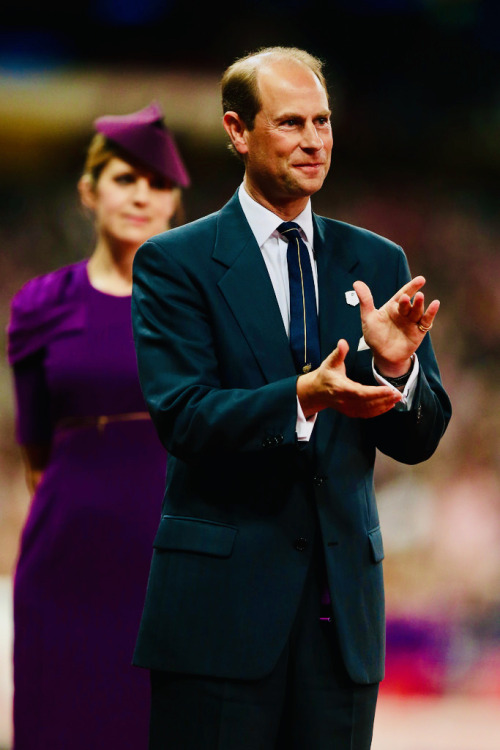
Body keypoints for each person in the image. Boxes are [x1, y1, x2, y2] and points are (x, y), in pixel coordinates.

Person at [131, 48, 451, 750]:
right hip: (217, 625)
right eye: (291, 123)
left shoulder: (378, 261)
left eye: (324, 121)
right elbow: (183, 418)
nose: (314, 140)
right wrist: (302, 397)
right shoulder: (174, 263)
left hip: (341, 630)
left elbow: (419, 438)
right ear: (238, 131)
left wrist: (399, 372)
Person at [7, 102, 190, 750]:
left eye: (158, 184)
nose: (141, 195)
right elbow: (36, 452)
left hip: (174, 566)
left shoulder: (203, 311)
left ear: (175, 204)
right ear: (89, 192)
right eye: (124, 178)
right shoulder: (39, 306)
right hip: (66, 567)